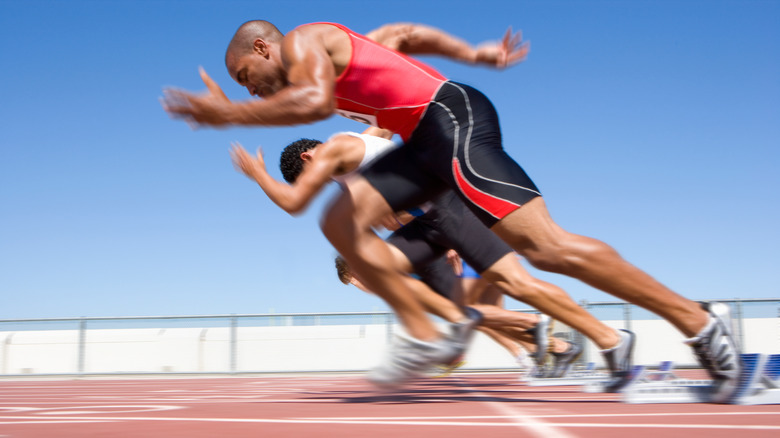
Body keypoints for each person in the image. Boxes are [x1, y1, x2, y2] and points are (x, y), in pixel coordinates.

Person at [164, 21, 741, 401]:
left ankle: (695, 320)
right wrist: (473, 52)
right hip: (423, 141)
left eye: (247, 78)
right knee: (338, 223)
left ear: (264, 48)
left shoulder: (304, 43)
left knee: (546, 248)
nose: (253, 92)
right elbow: (403, 34)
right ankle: (428, 331)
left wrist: (229, 117)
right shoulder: (335, 54)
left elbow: (310, 100)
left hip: (450, 120)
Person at [234, 129, 621, 388]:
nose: (312, 188)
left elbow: (292, 204)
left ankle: (606, 338)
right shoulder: (348, 164)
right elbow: (383, 134)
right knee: (380, 269)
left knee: (516, 283)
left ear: (308, 156)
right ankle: (447, 332)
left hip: (449, 211)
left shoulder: (342, 145)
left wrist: (258, 175)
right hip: (423, 228)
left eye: (306, 179)